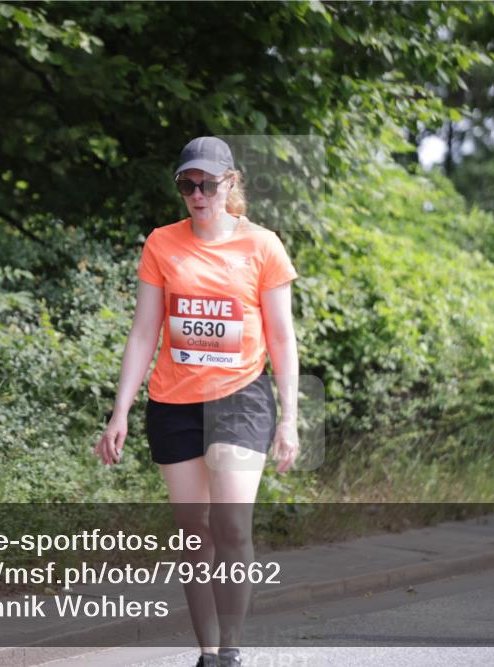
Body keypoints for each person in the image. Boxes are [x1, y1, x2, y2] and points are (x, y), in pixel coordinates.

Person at [94, 136, 300, 667]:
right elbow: (144, 332)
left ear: (230, 183)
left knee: (230, 525)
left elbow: (282, 338)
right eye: (187, 185)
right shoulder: (162, 243)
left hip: (241, 398)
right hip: (174, 403)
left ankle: (230, 649)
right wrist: (120, 410)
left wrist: (290, 419)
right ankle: (207, 654)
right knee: (193, 534)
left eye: (207, 184)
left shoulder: (262, 246)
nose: (197, 195)